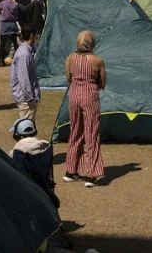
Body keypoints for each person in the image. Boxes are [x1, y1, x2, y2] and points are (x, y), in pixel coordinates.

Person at [63, 30, 106, 188]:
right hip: (90, 96)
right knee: (92, 133)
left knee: (75, 131)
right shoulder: (97, 60)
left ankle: (70, 170)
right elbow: (102, 82)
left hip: (74, 96)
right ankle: (92, 174)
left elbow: (68, 78)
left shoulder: (70, 59)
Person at [9, 118, 60, 209]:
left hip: (28, 191)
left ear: (17, 135)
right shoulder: (46, 146)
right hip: (46, 188)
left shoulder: (16, 152)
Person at [11, 29, 41, 121]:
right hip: (26, 100)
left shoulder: (26, 51)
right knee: (27, 129)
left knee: (28, 127)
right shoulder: (24, 54)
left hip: (27, 99)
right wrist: (30, 98)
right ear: (31, 35)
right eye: (36, 34)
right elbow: (23, 78)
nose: (37, 37)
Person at [0, 0, 19, 66]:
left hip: (4, 24)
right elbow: (17, 14)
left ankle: (0, 61)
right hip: (12, 24)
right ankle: (19, 60)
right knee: (15, 43)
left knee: (2, 43)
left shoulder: (2, 3)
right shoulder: (15, 4)